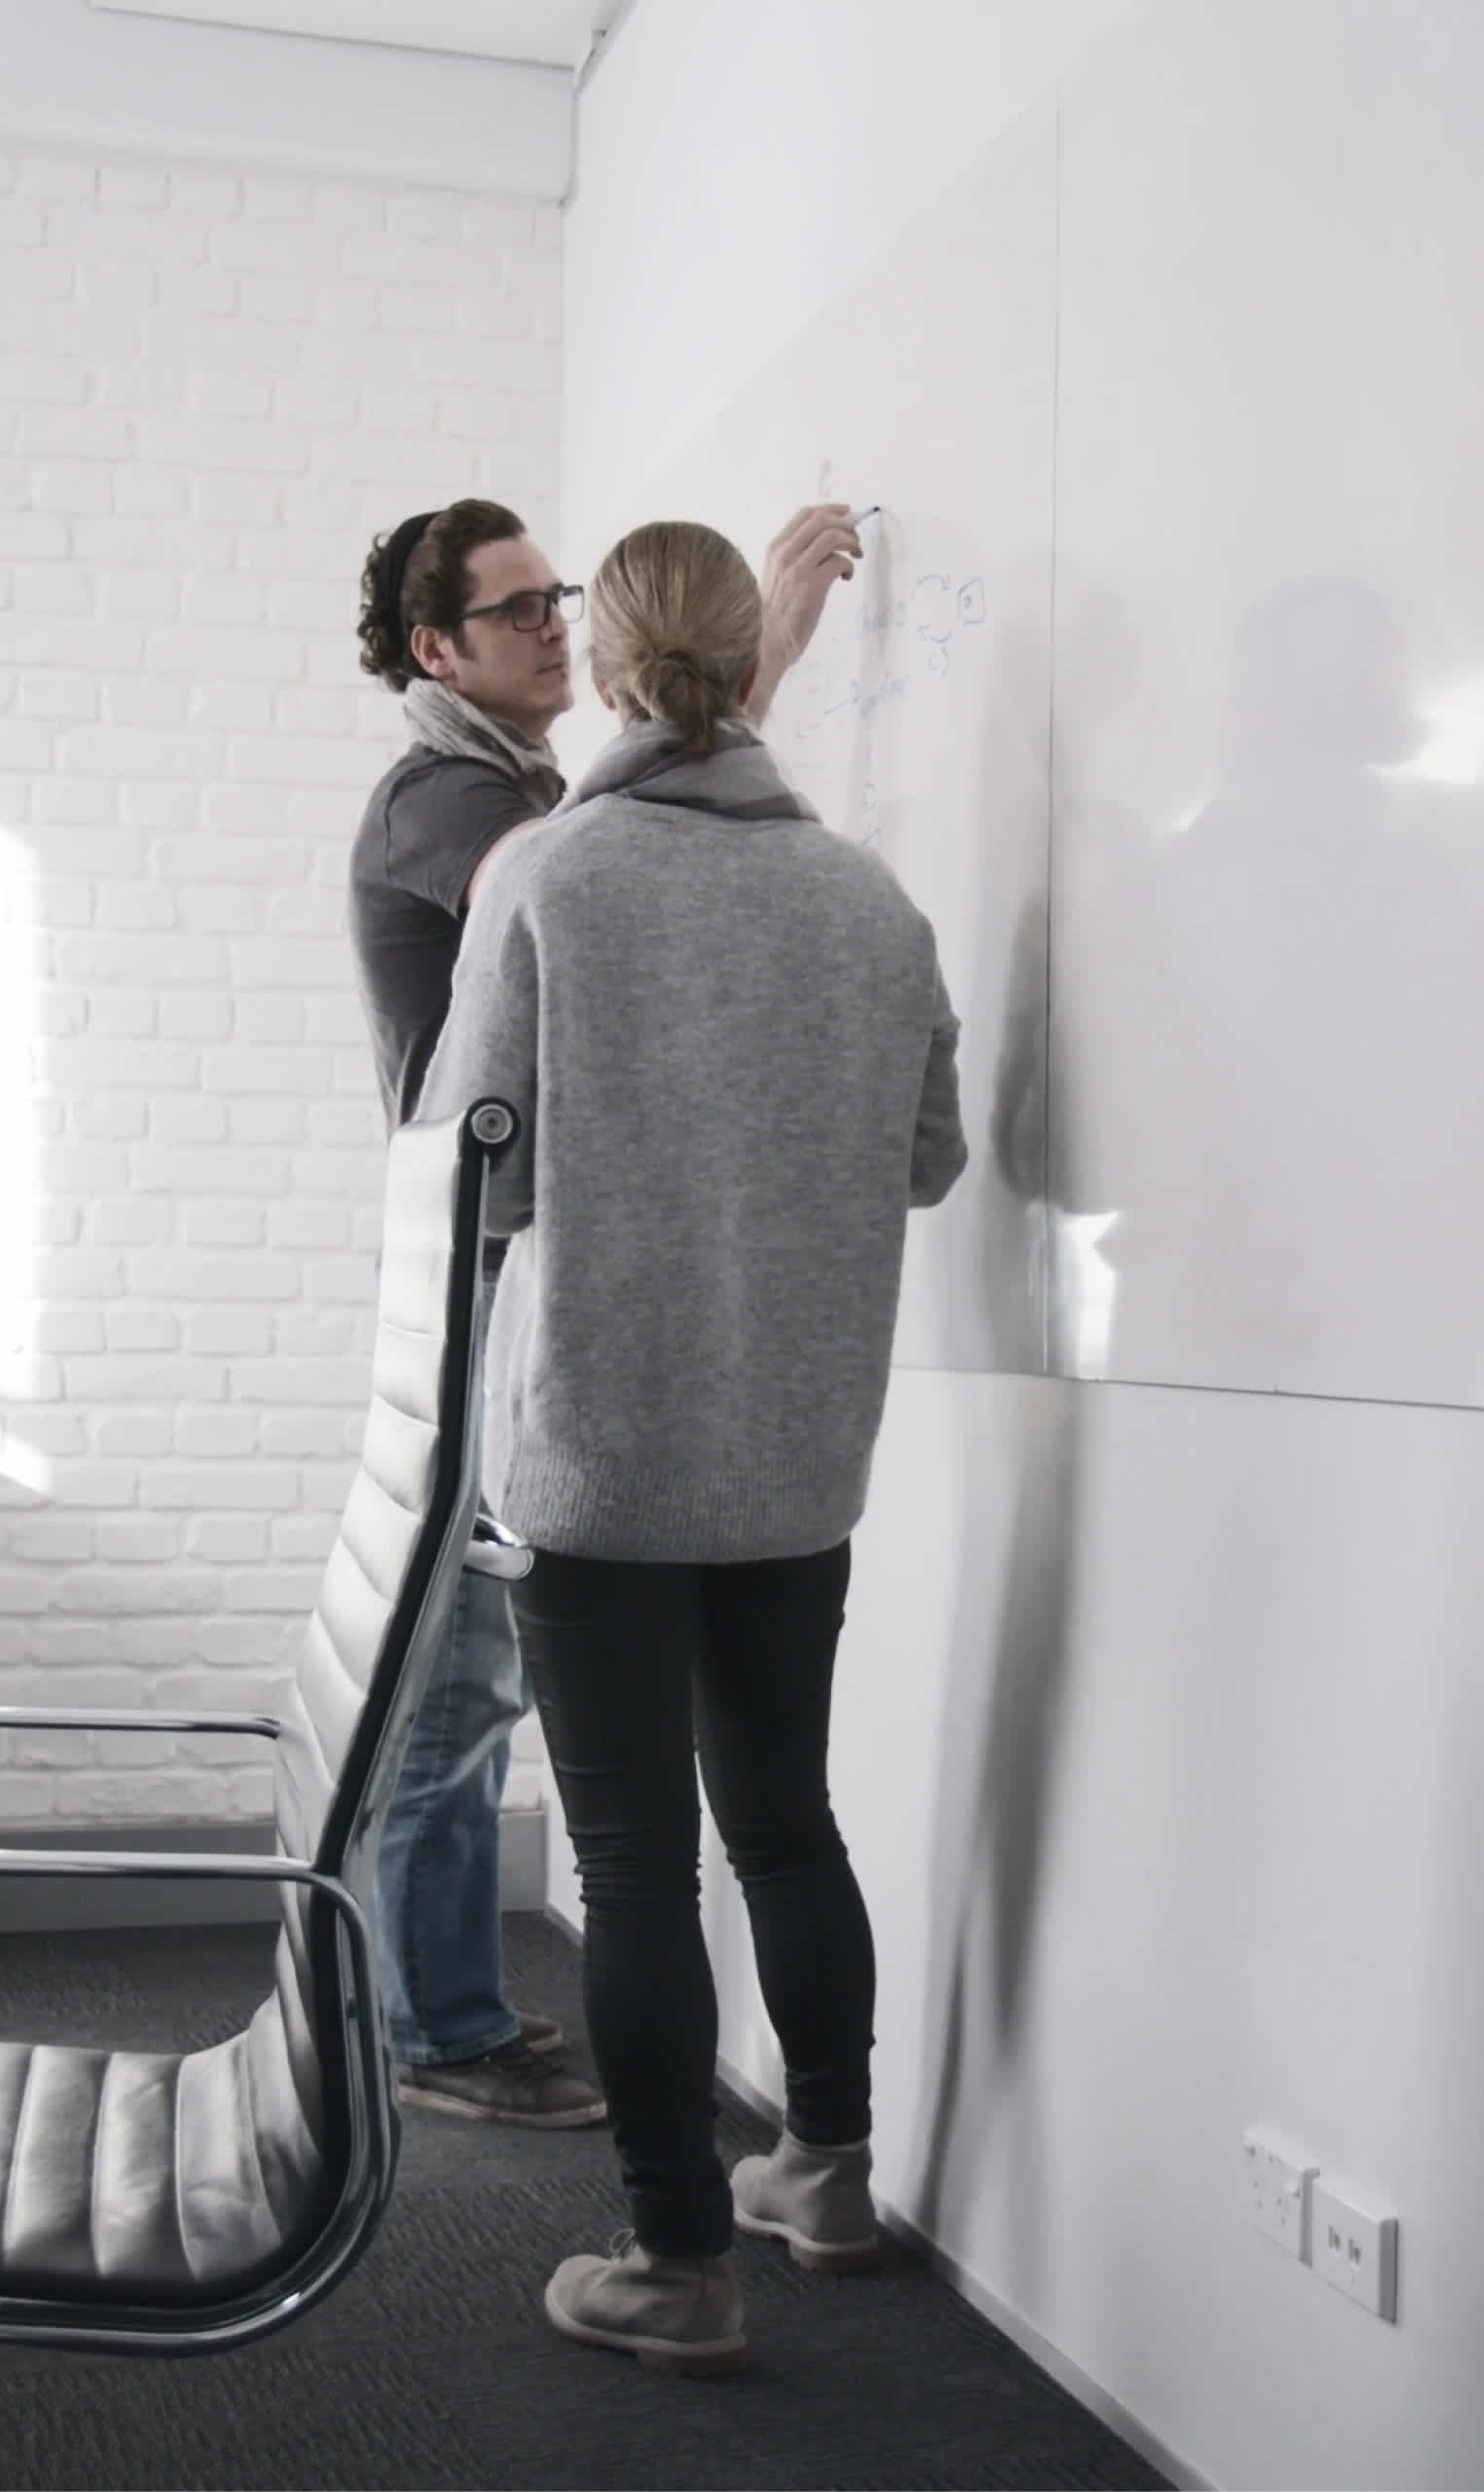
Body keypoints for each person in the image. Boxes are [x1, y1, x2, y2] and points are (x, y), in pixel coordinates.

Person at [418, 518, 966, 2376]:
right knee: (788, 1820)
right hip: (795, 1461)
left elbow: (477, 1165)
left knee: (635, 1862)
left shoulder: (555, 876)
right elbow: (931, 1160)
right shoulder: (872, 904)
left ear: (617, 660)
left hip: (602, 1455)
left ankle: (674, 2261)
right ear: (750, 666)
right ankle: (823, 2169)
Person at [345, 499, 864, 2126]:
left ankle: (448, 2016)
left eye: (566, 601)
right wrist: (752, 664)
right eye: (516, 612)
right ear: (436, 652)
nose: (552, 629)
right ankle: (435, 2027)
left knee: (505, 1691)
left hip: (553, 1285)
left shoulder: (518, 793)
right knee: (462, 1680)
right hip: (497, 1298)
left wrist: (731, 677)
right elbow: (595, 888)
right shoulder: (452, 802)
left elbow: (617, 852)